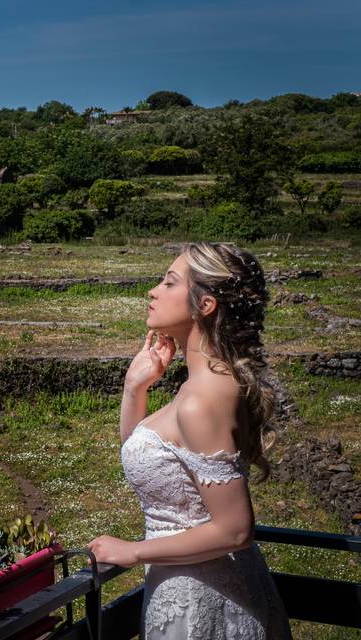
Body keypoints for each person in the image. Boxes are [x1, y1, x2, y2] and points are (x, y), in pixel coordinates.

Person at [86, 241, 293, 638]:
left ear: (206, 305)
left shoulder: (203, 397)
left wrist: (132, 551)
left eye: (169, 282)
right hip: (185, 590)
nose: (153, 291)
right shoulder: (199, 385)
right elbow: (143, 457)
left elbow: (234, 529)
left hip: (204, 601)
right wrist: (136, 388)